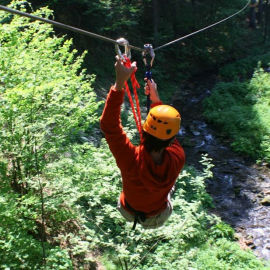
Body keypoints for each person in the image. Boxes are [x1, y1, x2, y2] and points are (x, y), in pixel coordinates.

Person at [100, 56, 185, 229]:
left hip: (127, 210)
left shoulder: (130, 160)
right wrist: (156, 100)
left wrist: (120, 82)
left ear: (144, 130)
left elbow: (109, 125)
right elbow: (164, 132)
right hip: (158, 215)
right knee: (169, 185)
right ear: (171, 140)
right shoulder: (178, 156)